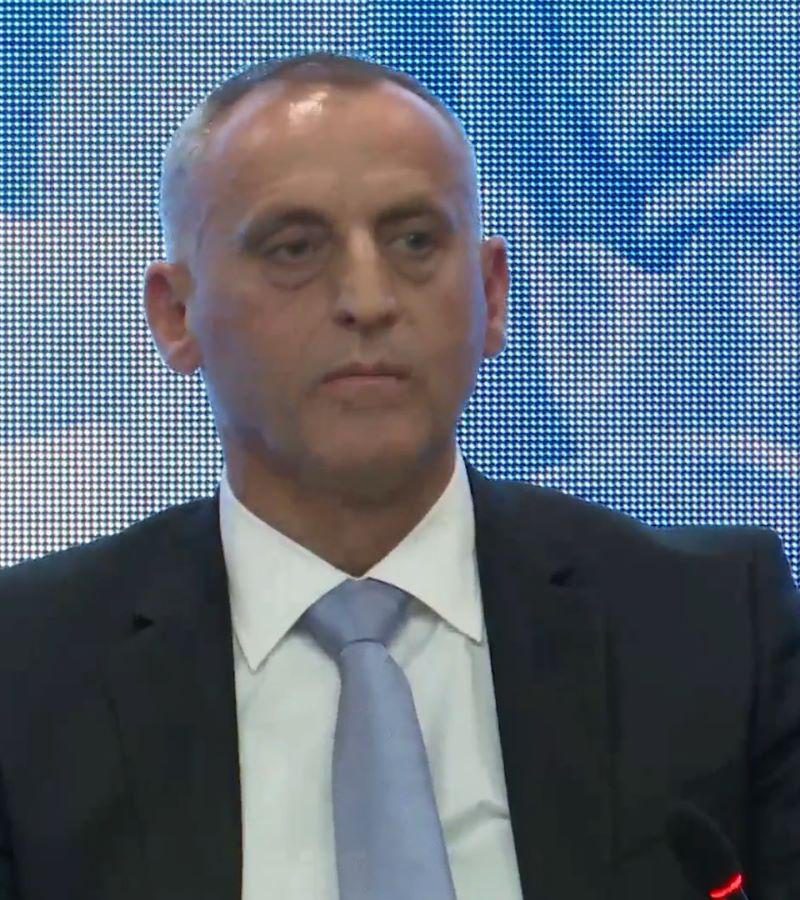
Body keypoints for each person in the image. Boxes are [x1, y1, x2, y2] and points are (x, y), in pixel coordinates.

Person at [0, 52, 798, 900]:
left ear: (492, 296)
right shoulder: (28, 672)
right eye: (294, 248)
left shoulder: (709, 627)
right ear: (176, 316)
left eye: (415, 241)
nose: (369, 299)